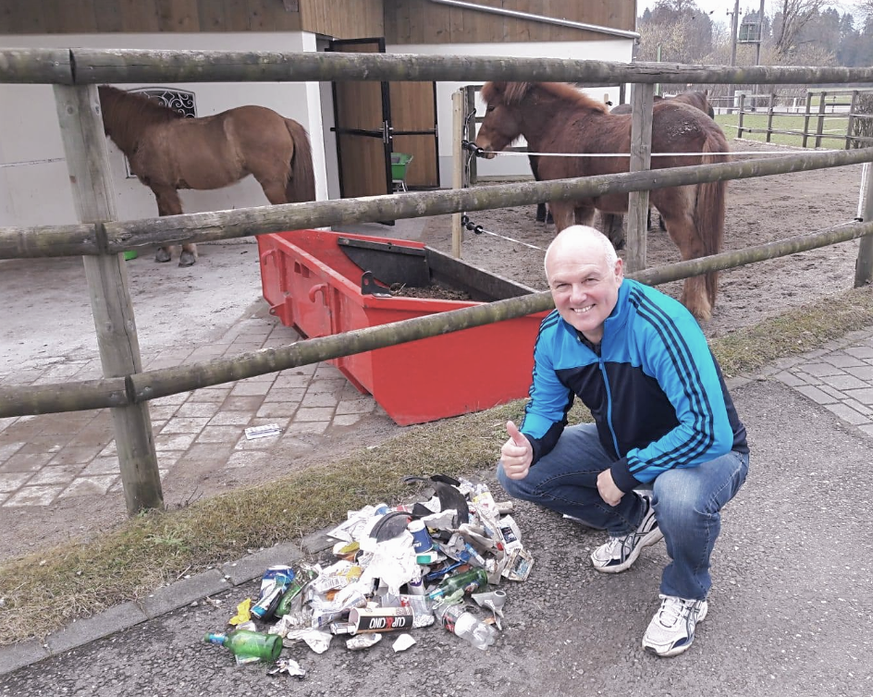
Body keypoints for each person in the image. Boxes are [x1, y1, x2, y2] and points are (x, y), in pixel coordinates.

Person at [497, 225, 749, 658]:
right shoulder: (554, 334)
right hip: (622, 443)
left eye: (589, 280)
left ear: (617, 271)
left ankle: (687, 593)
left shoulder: (661, 323)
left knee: (678, 494)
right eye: (563, 286)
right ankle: (634, 520)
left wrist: (626, 472)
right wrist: (530, 444)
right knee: (517, 475)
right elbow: (546, 408)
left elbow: (709, 430)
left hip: (709, 451)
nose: (577, 297)